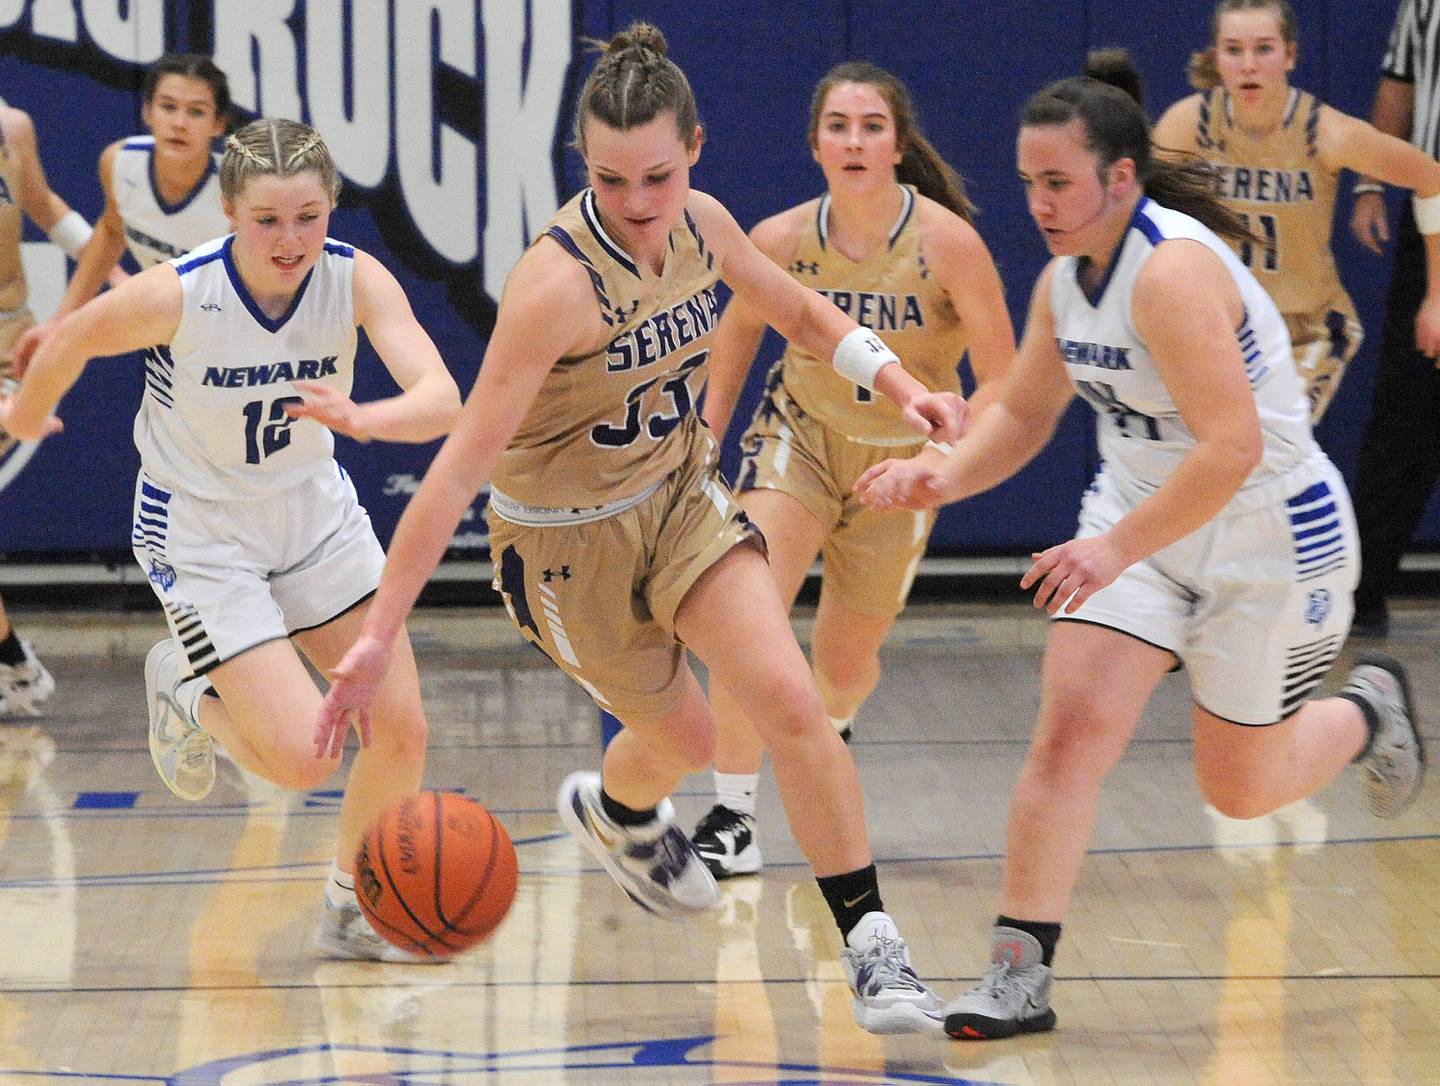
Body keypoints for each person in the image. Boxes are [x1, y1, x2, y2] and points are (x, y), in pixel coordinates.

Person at [316, 24, 965, 1034]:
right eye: (612, 181)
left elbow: (797, 311)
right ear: (587, 167)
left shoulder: (704, 223)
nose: (637, 202)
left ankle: (876, 951)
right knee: (688, 739)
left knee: (790, 700)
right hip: (563, 548)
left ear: (694, 149)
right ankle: (619, 813)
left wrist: (899, 381)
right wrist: (374, 637)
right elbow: (453, 477)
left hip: (678, 501)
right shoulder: (554, 286)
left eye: (657, 175)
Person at [856, 51, 1424, 1041]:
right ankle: (1017, 976)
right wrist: (940, 473)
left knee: (1239, 792)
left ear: (1120, 179)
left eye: (1059, 183)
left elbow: (1233, 446)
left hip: (1268, 535)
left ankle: (1368, 709)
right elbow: (1026, 415)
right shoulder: (1065, 283)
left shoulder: (1169, 273)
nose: (1039, 203)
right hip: (1143, 523)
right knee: (1070, 732)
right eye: (1030, 183)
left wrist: (1113, 548)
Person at [0, 118, 462, 962]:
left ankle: (350, 906)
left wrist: (364, 417)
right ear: (229, 210)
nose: (291, 240)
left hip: (314, 516)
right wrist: (26, 413)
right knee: (301, 761)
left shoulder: (355, 281)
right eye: (268, 219)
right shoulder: (179, 292)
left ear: (331, 209)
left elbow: (442, 398)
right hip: (202, 532)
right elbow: (67, 341)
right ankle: (185, 687)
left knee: (400, 730)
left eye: (309, 216)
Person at [688, 61, 1014, 879]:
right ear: (815, 144)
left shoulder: (948, 244)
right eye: (839, 126)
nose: (855, 140)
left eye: (872, 126)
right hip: (799, 438)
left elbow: (1007, 384)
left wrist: (949, 459)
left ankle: (833, 723)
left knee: (839, 668)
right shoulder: (781, 238)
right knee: (745, 615)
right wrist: (706, 437)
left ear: (898, 145)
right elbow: (736, 338)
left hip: (901, 467)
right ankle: (732, 813)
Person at [1152, 0, 1440, 423]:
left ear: (1290, 55)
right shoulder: (1185, 126)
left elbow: (1430, 177)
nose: (1248, 65)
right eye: (1233, 50)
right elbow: (1143, 223)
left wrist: (1436, 296)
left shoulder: (1325, 132)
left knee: (1261, 447)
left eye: (1264, 49)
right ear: (1217, 57)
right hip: (1218, 326)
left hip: (1305, 332)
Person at [0, 93, 112, 716]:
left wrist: (123, 276)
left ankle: (14, 662)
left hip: (8, 341)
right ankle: (14, 660)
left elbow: (43, 205)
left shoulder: (14, 124)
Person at [12, 52, 232, 369]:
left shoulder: (237, 187)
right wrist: (60, 321)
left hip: (230, 334)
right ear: (147, 112)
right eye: (168, 107)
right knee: (66, 348)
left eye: (196, 112)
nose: (179, 123)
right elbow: (112, 232)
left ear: (218, 124)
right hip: (166, 331)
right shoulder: (120, 162)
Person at [1345, 0, 1440, 637]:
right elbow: (1399, 80)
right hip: (1433, 208)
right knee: (1405, 413)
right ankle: (1359, 591)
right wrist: (1372, 182)